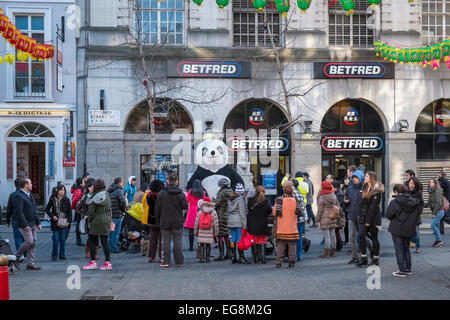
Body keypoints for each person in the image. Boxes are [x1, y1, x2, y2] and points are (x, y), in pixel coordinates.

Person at [386, 184, 420, 277]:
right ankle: (408, 269)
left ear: (396, 192)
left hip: (397, 228)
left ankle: (401, 270)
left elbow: (388, 215)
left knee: (399, 249)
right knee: (406, 248)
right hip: (409, 228)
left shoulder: (394, 202)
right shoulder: (413, 202)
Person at [155, 174, 188, 267]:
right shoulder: (180, 193)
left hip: (164, 220)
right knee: (177, 242)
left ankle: (166, 261)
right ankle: (179, 261)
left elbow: (157, 209)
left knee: (166, 241)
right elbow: (185, 206)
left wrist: (158, 221)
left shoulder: (161, 193)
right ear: (177, 182)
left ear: (167, 181)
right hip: (177, 220)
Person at [83, 179, 113, 270]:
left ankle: (93, 262)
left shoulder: (95, 196)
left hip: (96, 221)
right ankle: (107, 262)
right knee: (105, 242)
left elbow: (91, 211)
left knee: (92, 241)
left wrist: (90, 219)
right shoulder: (106, 194)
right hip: (106, 220)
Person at [356, 171, 384, 267]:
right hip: (363, 217)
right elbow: (362, 204)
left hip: (373, 218)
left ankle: (376, 258)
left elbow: (373, 207)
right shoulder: (365, 187)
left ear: (371, 177)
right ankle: (364, 258)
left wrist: (368, 221)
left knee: (374, 237)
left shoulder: (376, 190)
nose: (365, 177)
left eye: (367, 176)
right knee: (361, 235)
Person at [13, 178, 42, 270]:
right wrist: (25, 224)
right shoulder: (19, 195)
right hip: (25, 224)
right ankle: (16, 258)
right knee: (29, 241)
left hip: (33, 223)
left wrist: (38, 222)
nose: (32, 185)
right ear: (26, 185)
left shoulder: (30, 195)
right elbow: (19, 211)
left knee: (33, 243)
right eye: (30, 183)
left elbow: (34, 209)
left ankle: (30, 263)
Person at [273, 180, 302, 268]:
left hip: (281, 227)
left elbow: (274, 213)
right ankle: (292, 261)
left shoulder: (279, 200)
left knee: (280, 245)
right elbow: (300, 212)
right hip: (292, 227)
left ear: (284, 189)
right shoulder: (295, 200)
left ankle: (278, 262)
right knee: (292, 245)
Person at [317, 181, 345, 258]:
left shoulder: (322, 197)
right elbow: (338, 206)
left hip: (324, 218)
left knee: (327, 236)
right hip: (333, 216)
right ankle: (333, 252)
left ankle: (327, 252)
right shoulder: (333, 195)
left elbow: (320, 210)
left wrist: (317, 220)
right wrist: (342, 214)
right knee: (333, 235)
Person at [45, 184, 72, 261]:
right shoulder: (52, 199)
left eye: (64, 190)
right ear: (57, 190)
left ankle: (62, 254)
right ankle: (54, 255)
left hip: (64, 222)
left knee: (63, 240)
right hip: (55, 222)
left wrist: (69, 221)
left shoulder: (66, 200)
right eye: (61, 190)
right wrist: (52, 216)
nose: (63, 191)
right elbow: (47, 209)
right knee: (56, 240)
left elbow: (69, 212)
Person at [247, 186, 272, 264]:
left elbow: (248, 210)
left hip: (252, 223)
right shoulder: (266, 201)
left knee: (254, 241)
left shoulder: (250, 200)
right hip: (262, 223)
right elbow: (269, 211)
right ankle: (263, 258)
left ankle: (255, 258)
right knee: (262, 240)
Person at [143, 179, 164, 263]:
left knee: (153, 239)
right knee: (161, 240)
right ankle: (161, 257)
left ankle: (151, 256)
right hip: (161, 219)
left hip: (151, 219)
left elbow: (146, 204)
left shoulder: (148, 195)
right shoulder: (162, 195)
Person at [184, 180, 209, 251]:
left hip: (191, 211)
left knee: (191, 230)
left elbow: (187, 200)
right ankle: (199, 245)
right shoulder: (203, 192)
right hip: (199, 210)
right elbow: (204, 201)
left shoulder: (190, 191)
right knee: (200, 229)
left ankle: (191, 246)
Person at [227, 183, 249, 264]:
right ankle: (241, 257)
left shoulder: (230, 199)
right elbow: (242, 212)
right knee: (240, 239)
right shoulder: (240, 199)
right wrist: (245, 224)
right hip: (238, 221)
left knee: (233, 239)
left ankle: (233, 256)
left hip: (231, 220)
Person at [346, 169, 364, 264]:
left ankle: (372, 248)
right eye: (354, 177)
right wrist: (346, 200)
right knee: (351, 237)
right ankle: (355, 256)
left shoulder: (364, 187)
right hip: (352, 214)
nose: (355, 179)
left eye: (356, 178)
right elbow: (347, 197)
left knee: (362, 236)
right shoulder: (350, 187)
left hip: (361, 215)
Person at [215, 178, 234, 261]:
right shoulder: (232, 192)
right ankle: (229, 253)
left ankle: (222, 255)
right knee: (227, 234)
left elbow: (217, 204)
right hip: (229, 215)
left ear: (221, 185)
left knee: (220, 235)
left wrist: (213, 202)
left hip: (221, 215)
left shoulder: (221, 193)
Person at [76, 178, 96, 259]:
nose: (91, 188)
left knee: (95, 236)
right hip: (89, 220)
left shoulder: (97, 195)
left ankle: (95, 252)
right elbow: (78, 206)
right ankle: (89, 252)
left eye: (93, 186)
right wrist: (84, 214)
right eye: (90, 186)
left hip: (96, 218)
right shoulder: (85, 196)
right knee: (91, 236)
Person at [6, 178, 25, 253]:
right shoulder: (26, 194)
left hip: (15, 219)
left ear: (15, 185)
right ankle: (25, 253)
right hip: (25, 219)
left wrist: (8, 220)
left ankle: (20, 255)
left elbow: (9, 208)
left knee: (17, 237)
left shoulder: (12, 195)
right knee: (25, 237)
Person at [108, 177, 126, 253]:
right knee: (116, 233)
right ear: (119, 183)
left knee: (111, 232)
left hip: (111, 214)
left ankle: (110, 246)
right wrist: (123, 210)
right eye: (122, 182)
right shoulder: (119, 191)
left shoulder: (109, 190)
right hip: (117, 214)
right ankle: (114, 248)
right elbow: (122, 202)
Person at [426, 178, 445, 247]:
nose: (430, 183)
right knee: (436, 226)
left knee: (432, 225)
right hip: (436, 211)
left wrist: (434, 213)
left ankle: (439, 240)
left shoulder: (437, 191)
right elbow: (428, 203)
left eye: (432, 182)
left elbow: (438, 203)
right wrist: (420, 204)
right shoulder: (431, 192)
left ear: (435, 183)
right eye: (430, 182)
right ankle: (437, 241)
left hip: (439, 211)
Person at [291, 179, 307, 261]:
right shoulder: (299, 192)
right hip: (302, 218)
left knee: (294, 237)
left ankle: (295, 255)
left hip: (296, 218)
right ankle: (299, 254)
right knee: (299, 237)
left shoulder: (293, 193)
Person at [408, 177, 424, 253]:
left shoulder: (418, 192)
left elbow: (421, 203)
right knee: (407, 230)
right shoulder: (407, 192)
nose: (409, 183)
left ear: (414, 185)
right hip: (408, 214)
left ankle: (418, 247)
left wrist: (418, 211)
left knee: (416, 231)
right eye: (409, 182)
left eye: (411, 183)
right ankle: (411, 242)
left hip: (415, 214)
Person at [71, 178, 85, 246]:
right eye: (83, 182)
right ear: (80, 183)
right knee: (78, 224)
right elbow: (75, 200)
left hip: (79, 209)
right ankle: (78, 239)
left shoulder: (79, 190)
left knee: (78, 223)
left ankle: (78, 239)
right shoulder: (79, 190)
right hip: (79, 210)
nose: (84, 183)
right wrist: (76, 208)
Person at [332, 180, 345, 251]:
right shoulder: (337, 193)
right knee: (336, 230)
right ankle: (338, 244)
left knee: (336, 230)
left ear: (335, 187)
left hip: (337, 215)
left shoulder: (338, 194)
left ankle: (339, 244)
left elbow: (338, 205)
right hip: (337, 214)